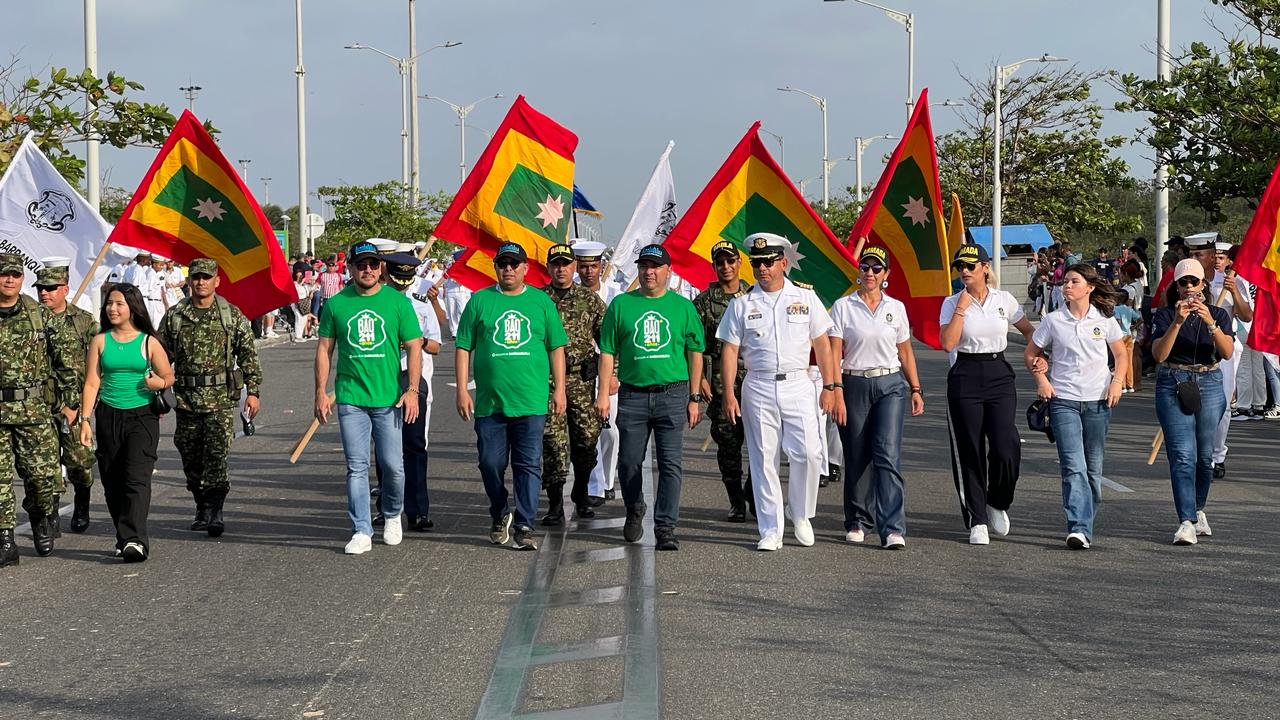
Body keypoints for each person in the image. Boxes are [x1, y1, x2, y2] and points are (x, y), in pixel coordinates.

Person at [716, 234, 836, 551]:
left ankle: (800, 512)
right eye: (757, 263)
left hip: (798, 382)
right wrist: (729, 393)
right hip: (758, 384)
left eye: (769, 262)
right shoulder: (742, 304)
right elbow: (730, 350)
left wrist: (830, 385)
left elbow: (823, 345)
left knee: (809, 453)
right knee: (763, 458)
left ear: (783, 263)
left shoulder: (806, 298)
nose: (762, 268)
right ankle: (771, 529)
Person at [455, 243, 567, 552]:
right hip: (491, 403)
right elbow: (463, 346)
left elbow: (556, 347)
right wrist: (463, 389)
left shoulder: (541, 302)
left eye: (514, 264)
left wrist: (559, 389)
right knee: (490, 463)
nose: (508, 269)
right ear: (495, 267)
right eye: (503, 263)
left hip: (530, 401)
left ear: (525, 268)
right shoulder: (480, 301)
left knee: (528, 464)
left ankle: (524, 524)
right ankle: (499, 510)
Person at [315, 241, 423, 555]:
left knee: (393, 466)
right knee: (356, 466)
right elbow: (324, 349)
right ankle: (361, 529)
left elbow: (415, 346)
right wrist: (320, 393)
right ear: (350, 268)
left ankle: (392, 514)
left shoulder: (397, 302)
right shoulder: (337, 304)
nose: (368, 269)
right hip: (351, 397)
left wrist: (412, 390)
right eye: (361, 264)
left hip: (389, 398)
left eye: (373, 264)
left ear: (381, 268)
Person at [597, 244, 703, 551]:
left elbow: (695, 352)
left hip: (672, 394)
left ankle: (666, 526)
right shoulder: (621, 305)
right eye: (644, 266)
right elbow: (607, 352)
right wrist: (603, 395)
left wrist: (694, 397)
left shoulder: (683, 307)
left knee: (671, 464)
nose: (649, 272)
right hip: (632, 395)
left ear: (668, 271)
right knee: (629, 462)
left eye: (655, 266)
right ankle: (634, 506)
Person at [939, 244, 1037, 545]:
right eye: (960, 267)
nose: (965, 272)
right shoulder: (951, 302)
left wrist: (1036, 355)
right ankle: (977, 519)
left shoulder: (1003, 300)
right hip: (965, 372)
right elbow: (947, 342)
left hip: (998, 372)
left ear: (985, 267)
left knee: (1006, 444)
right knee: (970, 448)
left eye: (971, 266)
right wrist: (961, 308)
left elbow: (1029, 331)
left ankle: (998, 500)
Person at [1025, 264, 1128, 549]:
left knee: (1093, 470)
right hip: (1063, 400)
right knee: (1073, 466)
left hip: (1098, 401)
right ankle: (1079, 527)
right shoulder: (1054, 320)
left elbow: (1121, 354)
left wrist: (1117, 382)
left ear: (1090, 287)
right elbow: (1031, 353)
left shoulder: (1105, 320)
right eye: (1065, 282)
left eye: (1074, 281)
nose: (1067, 286)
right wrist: (1041, 379)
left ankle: (1086, 519)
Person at [159, 258, 262, 538]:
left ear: (217, 281)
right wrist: (158, 389)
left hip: (220, 400)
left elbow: (248, 355)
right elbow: (159, 355)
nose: (201, 282)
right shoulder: (175, 316)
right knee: (190, 457)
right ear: (189, 281)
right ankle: (200, 504)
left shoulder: (230, 315)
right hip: (186, 400)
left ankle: (215, 509)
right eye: (196, 277)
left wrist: (253, 391)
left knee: (216, 455)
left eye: (206, 277)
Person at [829, 246, 923, 549]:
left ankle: (893, 527)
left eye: (876, 268)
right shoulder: (844, 306)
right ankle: (858, 519)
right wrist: (835, 390)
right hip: (853, 382)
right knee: (857, 454)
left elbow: (905, 351)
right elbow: (834, 351)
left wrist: (916, 388)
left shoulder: (895, 307)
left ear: (886, 275)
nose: (869, 273)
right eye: (865, 267)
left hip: (890, 385)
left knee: (887, 453)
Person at [78, 283, 174, 562]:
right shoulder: (100, 340)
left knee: (136, 477)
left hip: (142, 416)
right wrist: (85, 420)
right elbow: (92, 382)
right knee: (111, 479)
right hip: (108, 414)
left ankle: (135, 539)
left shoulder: (149, 342)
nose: (113, 308)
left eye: (119, 303)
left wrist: (159, 382)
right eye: (110, 303)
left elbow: (168, 376)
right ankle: (124, 536)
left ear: (133, 307)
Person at [0, 253, 79, 566]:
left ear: (21, 279)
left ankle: (40, 516)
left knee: (41, 478)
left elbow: (66, 362)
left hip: (34, 412)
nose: (9, 280)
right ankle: (6, 540)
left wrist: (70, 403)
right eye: (4, 274)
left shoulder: (40, 316)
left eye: (15, 275)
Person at [1151, 258, 1235, 545]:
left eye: (1194, 282)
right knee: (1183, 455)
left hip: (1209, 382)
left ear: (1203, 286)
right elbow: (1159, 355)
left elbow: (1226, 352)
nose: (1189, 288)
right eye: (1183, 282)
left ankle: (1198, 508)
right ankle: (1185, 520)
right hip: (1173, 381)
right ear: (1176, 286)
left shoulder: (1219, 315)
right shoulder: (1164, 315)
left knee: (1203, 456)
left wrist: (1210, 322)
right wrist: (1177, 320)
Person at [539, 243, 605, 525]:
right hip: (548, 381)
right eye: (556, 264)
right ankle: (555, 504)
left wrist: (611, 375)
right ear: (548, 268)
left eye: (566, 264)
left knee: (587, 441)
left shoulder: (589, 300)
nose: (561, 269)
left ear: (574, 267)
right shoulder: (538, 299)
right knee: (553, 442)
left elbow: (609, 342)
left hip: (581, 379)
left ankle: (580, 493)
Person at [35, 257, 100, 533]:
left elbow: (98, 363)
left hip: (75, 406)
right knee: (44, 464)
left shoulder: (84, 322)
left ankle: (82, 506)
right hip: (40, 405)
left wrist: (84, 407)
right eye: (41, 288)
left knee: (79, 462)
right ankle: (49, 516)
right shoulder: (32, 320)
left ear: (65, 288)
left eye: (51, 288)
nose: (44, 293)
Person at [693, 240, 753, 522]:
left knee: (763, 442)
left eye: (730, 261)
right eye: (720, 262)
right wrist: (701, 379)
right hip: (719, 383)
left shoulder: (755, 296)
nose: (726, 267)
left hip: (755, 381)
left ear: (740, 263)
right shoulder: (704, 302)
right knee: (728, 444)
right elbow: (694, 345)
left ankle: (753, 491)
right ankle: (736, 502)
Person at [1185, 234, 1253, 478]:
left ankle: (1216, 456)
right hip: (1192, 346)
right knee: (1190, 403)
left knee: (1221, 404)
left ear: (1213, 256)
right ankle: (1194, 453)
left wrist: (1234, 293)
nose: (1194, 259)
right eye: (1192, 254)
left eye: (1199, 254)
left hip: (1223, 347)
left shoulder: (1232, 280)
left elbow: (1246, 316)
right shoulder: (1187, 281)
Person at [385, 252, 442, 532]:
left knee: (415, 445)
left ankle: (418, 509)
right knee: (386, 449)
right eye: (398, 278)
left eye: (407, 279)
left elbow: (436, 345)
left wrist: (414, 340)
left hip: (413, 376)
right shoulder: (375, 300)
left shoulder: (419, 303)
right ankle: (387, 509)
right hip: (381, 376)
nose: (402, 284)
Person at [574, 241, 623, 506]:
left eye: (593, 266)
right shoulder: (572, 295)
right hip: (580, 373)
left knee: (610, 429)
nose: (589, 272)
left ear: (601, 267)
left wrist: (614, 373)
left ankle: (607, 479)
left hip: (608, 371)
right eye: (583, 266)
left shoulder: (616, 294)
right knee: (586, 431)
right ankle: (595, 486)